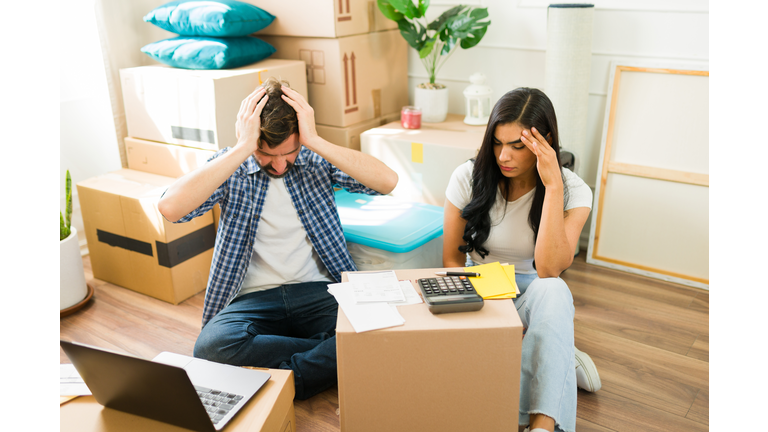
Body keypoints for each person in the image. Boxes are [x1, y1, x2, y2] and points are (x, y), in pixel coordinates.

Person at [158, 77, 398, 400]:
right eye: (267, 154)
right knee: (211, 347)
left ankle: (289, 379)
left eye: (290, 152)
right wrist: (243, 148)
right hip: (253, 303)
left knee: (381, 324)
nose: (281, 164)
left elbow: (387, 181)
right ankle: (333, 353)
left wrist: (313, 140)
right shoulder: (234, 167)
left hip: (317, 292)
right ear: (252, 138)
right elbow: (170, 207)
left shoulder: (313, 159)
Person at [442, 88, 600, 432]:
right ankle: (555, 353)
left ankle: (542, 427)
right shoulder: (467, 177)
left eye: (518, 146)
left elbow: (549, 268)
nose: (504, 156)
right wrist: (493, 319)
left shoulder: (573, 190)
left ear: (545, 143)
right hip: (479, 290)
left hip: (533, 295)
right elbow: (452, 262)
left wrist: (553, 186)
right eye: (497, 143)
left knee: (555, 290)